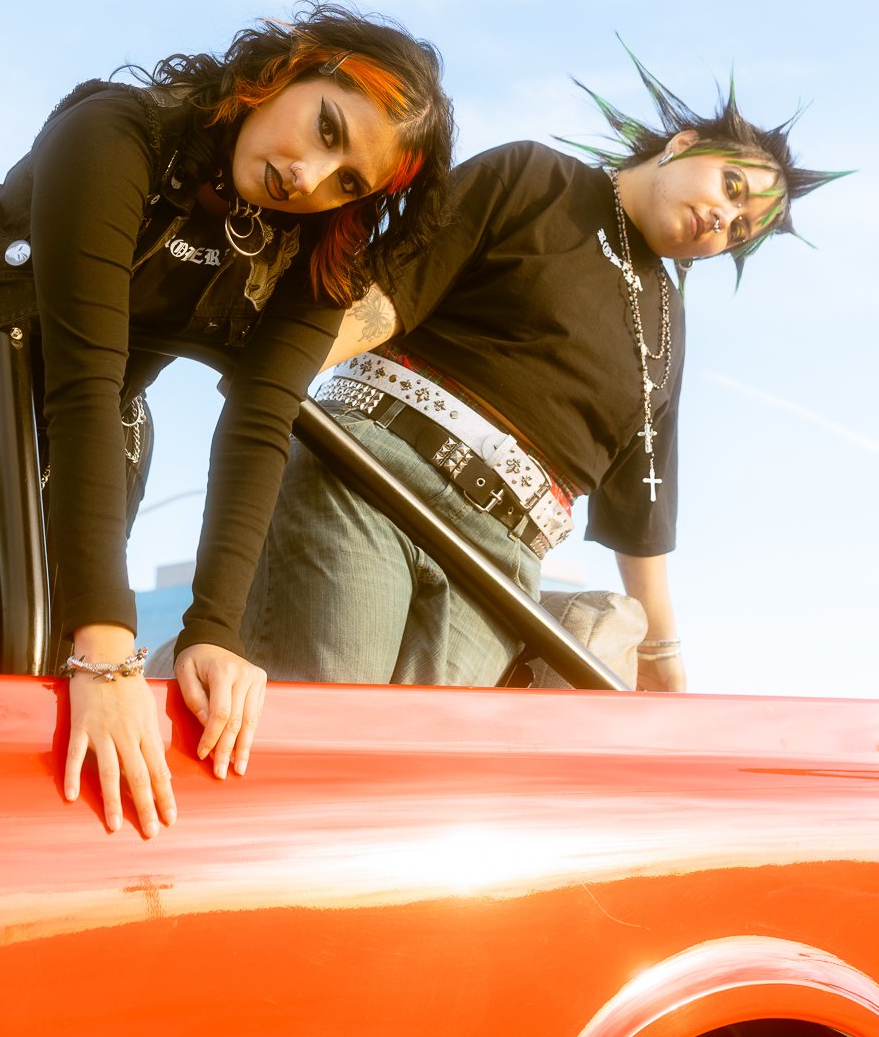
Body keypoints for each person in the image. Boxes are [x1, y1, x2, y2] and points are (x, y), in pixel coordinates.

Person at [0, 1, 453, 837]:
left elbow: (262, 420)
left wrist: (213, 632)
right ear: (295, 69)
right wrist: (109, 652)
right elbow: (84, 376)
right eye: (328, 129)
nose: (310, 177)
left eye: (349, 182)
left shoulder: (317, 251)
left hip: (61, 456)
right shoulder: (115, 132)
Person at [239, 47, 841, 698]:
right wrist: (270, 387)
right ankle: (181, 675)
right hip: (369, 475)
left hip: (503, 562)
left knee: (415, 779)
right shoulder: (534, 176)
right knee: (337, 717)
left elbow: (642, 503)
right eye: (731, 187)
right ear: (683, 144)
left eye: (743, 229)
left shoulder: (668, 327)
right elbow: (381, 297)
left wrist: (663, 657)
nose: (726, 220)